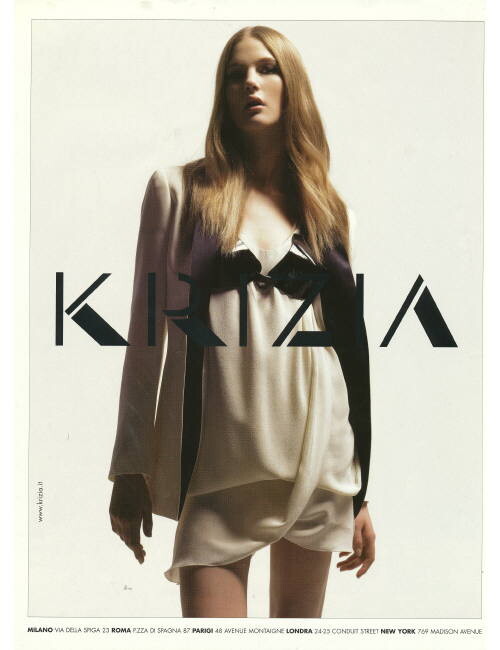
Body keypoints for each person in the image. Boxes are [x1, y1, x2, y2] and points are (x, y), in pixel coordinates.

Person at [108, 25, 376, 618]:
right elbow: (146, 335)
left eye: (266, 68)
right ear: (222, 93)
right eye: (236, 74)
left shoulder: (331, 213)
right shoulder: (178, 192)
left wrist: (359, 492)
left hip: (318, 464)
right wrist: (129, 467)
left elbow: (347, 357)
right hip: (219, 467)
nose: (251, 83)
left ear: (292, 85)